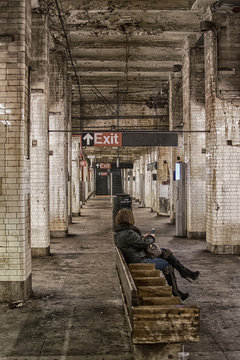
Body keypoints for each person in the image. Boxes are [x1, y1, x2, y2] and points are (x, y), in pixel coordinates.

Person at [114, 208, 200, 301]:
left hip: (136, 257)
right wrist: (151, 237)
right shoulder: (128, 233)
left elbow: (136, 242)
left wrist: (143, 237)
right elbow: (143, 243)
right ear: (129, 218)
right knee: (167, 264)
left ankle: (184, 272)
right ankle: (176, 291)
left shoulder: (121, 232)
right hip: (140, 261)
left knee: (165, 252)